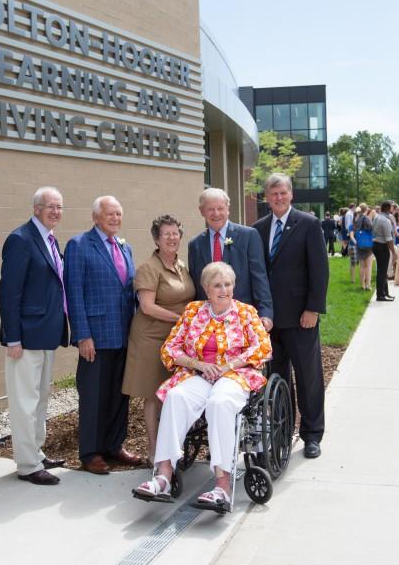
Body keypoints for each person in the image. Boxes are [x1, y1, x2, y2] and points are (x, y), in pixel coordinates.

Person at [131, 263, 271, 511]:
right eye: (217, 285)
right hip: (200, 374)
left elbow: (262, 348)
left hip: (235, 375)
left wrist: (229, 365)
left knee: (220, 403)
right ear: (206, 289)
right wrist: (198, 364)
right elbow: (170, 348)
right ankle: (163, 475)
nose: (224, 289)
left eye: (228, 284)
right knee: (175, 396)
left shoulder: (246, 313)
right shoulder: (193, 312)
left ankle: (222, 485)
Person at [64, 195, 142, 475]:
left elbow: (128, 292)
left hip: (124, 334)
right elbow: (73, 293)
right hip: (95, 337)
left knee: (119, 394)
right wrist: (83, 335)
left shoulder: (125, 247)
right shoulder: (79, 245)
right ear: (95, 217)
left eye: (119, 214)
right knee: (94, 396)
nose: (115, 219)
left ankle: (114, 445)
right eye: (110, 214)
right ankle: (91, 452)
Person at [0, 186, 69, 486]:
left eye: (60, 207)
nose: (56, 211)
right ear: (36, 208)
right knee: (24, 401)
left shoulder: (51, 240)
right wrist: (13, 337)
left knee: (40, 400)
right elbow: (9, 292)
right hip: (24, 338)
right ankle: (27, 465)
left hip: (47, 334)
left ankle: (36, 453)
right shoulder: (20, 239)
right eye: (50, 206)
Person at [254, 174, 330, 458]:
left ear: (291, 194)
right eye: (273, 193)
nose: (278, 197)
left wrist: (313, 308)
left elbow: (320, 270)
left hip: (301, 318)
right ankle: (283, 431)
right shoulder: (258, 229)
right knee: (278, 378)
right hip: (270, 321)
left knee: (308, 377)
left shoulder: (309, 224)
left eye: (283, 192)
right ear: (267, 197)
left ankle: (312, 435)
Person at [123, 214, 195, 462]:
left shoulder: (182, 266)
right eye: (166, 234)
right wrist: (182, 320)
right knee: (154, 395)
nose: (172, 238)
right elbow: (147, 307)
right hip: (151, 339)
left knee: (176, 394)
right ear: (157, 239)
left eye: (175, 233)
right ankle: (154, 451)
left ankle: (173, 446)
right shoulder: (148, 268)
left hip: (177, 341)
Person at [187, 188, 273, 329]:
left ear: (228, 209)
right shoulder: (195, 244)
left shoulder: (248, 236)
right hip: (208, 322)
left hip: (243, 318)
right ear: (201, 211)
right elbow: (197, 285)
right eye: (210, 209)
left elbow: (259, 277)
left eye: (220, 208)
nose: (216, 214)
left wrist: (266, 313)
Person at [372, 201, 397, 302]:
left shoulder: (377, 217)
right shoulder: (385, 220)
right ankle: (380, 295)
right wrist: (394, 252)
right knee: (382, 271)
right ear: (388, 208)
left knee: (382, 271)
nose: (393, 209)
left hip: (377, 244)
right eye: (392, 207)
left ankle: (385, 293)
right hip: (382, 246)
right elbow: (388, 239)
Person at [352, 203, 375, 291]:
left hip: (359, 244)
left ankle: (362, 284)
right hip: (368, 245)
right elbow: (372, 229)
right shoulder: (366, 219)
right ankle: (368, 285)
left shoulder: (357, 219)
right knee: (368, 266)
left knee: (362, 266)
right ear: (366, 210)